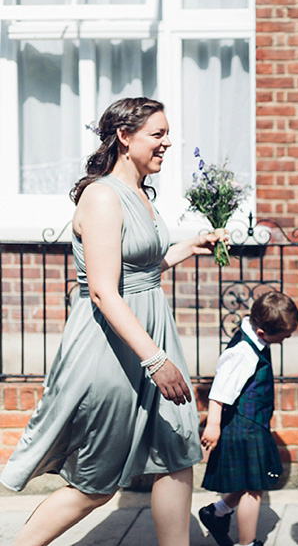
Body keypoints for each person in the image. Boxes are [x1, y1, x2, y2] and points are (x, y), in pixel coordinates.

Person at [0, 97, 225, 546]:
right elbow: (104, 290)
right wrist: (156, 360)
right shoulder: (102, 197)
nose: (167, 142)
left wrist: (190, 245)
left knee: (177, 450)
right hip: (113, 350)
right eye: (157, 134)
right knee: (95, 483)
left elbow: (141, 269)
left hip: (148, 334)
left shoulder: (141, 193)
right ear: (125, 137)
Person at [198, 290, 298, 546]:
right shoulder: (243, 352)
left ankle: (217, 511)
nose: (286, 339)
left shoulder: (256, 338)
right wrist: (212, 424)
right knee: (254, 489)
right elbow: (220, 390)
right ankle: (247, 543)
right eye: (284, 336)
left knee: (249, 483)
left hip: (253, 425)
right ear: (264, 333)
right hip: (244, 428)